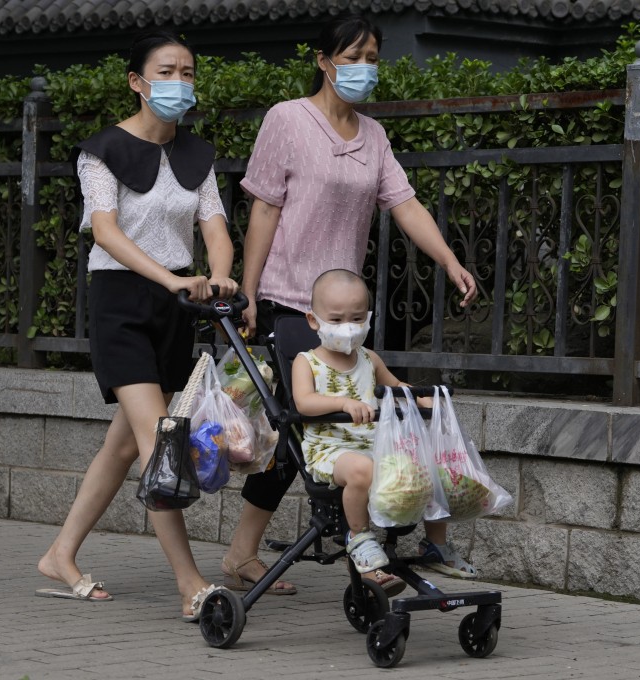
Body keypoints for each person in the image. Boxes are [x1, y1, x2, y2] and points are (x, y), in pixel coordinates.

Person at [219, 13, 479, 590]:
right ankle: (262, 553)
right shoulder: (286, 120)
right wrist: (250, 292)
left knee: (358, 423)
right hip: (289, 302)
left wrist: (450, 260)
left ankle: (348, 542)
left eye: (372, 59)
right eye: (352, 57)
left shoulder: (374, 136)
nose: (363, 69)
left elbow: (405, 204)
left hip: (343, 313)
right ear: (322, 60)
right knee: (297, 431)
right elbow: (263, 207)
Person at [35, 30, 239, 621]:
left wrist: (220, 277)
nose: (180, 82)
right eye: (167, 71)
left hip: (176, 306)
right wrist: (169, 279)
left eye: (189, 72)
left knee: (124, 443)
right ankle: (190, 584)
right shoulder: (101, 151)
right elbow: (106, 232)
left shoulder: (197, 155)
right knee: (161, 448)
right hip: (123, 300)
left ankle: (60, 554)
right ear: (137, 81)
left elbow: (215, 228)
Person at [292, 270, 432, 571]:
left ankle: (437, 545)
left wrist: (421, 397)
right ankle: (359, 536)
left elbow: (395, 387)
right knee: (361, 469)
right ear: (314, 320)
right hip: (329, 450)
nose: (349, 328)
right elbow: (304, 401)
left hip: (373, 445)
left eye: (357, 319)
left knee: (425, 466)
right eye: (337, 319)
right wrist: (343, 403)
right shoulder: (307, 362)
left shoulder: (369, 358)